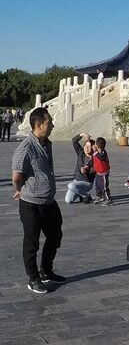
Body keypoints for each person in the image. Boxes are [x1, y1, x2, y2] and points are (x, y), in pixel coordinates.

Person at [12, 108, 65, 293]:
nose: (52, 125)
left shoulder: (46, 143)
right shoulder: (25, 148)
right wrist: (20, 190)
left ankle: (46, 271)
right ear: (38, 125)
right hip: (31, 204)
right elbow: (16, 176)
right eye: (49, 122)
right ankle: (33, 278)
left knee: (55, 235)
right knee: (32, 242)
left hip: (49, 201)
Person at [67, 133, 96, 204]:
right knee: (68, 201)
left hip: (87, 183)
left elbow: (93, 172)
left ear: (93, 148)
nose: (87, 148)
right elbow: (74, 141)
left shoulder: (94, 158)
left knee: (70, 185)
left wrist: (86, 171)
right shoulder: (80, 153)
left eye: (89, 146)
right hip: (76, 181)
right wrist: (82, 134)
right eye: (86, 145)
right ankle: (82, 195)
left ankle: (87, 196)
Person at [90, 137, 113, 206]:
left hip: (103, 174)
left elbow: (100, 157)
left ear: (97, 146)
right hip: (98, 173)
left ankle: (108, 199)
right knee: (98, 185)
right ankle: (99, 196)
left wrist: (95, 151)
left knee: (104, 187)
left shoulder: (102, 153)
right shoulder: (96, 153)